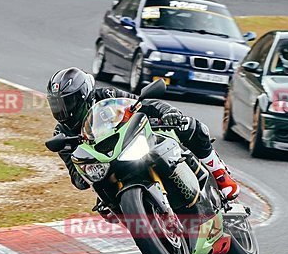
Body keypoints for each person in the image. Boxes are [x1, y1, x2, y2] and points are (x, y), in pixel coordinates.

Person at [46, 67, 239, 200]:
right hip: (108, 167)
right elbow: (77, 179)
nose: (63, 111)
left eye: (67, 103)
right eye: (56, 105)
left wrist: (167, 113)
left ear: (83, 96)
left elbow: (142, 104)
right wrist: (83, 173)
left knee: (189, 126)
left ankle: (220, 175)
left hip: (132, 141)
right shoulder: (62, 132)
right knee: (104, 204)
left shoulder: (106, 96)